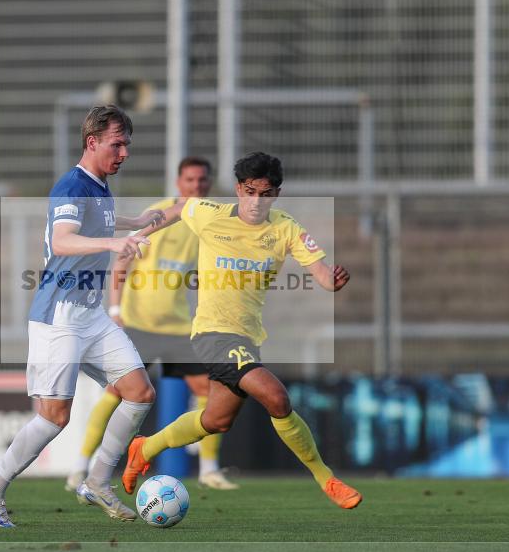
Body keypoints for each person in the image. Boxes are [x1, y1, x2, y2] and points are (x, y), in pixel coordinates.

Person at [121, 151, 362, 510]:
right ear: (238, 189)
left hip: (246, 338)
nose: (256, 202)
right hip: (212, 333)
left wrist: (333, 281)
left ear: (276, 194)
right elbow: (176, 210)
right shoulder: (210, 215)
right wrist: (138, 233)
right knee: (276, 398)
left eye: (265, 194)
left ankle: (147, 446)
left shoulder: (286, 228)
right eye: (250, 191)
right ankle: (326, 478)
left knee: (215, 420)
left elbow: (323, 273)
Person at [0, 105, 166, 527]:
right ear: (92, 142)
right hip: (58, 317)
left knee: (140, 392)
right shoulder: (72, 185)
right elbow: (62, 242)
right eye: (117, 144)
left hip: (91, 316)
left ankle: (96, 481)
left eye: (127, 145)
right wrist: (116, 247)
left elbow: (97, 225)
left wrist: (136, 221)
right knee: (54, 417)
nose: (124, 153)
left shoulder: (99, 186)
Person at [65, 156, 239, 493]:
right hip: (139, 323)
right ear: (179, 183)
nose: (197, 187)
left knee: (208, 390)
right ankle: (80, 466)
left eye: (203, 181)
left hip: (177, 327)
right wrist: (115, 309)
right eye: (190, 181)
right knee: (117, 393)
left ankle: (208, 469)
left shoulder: (209, 222)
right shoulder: (159, 216)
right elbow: (123, 261)